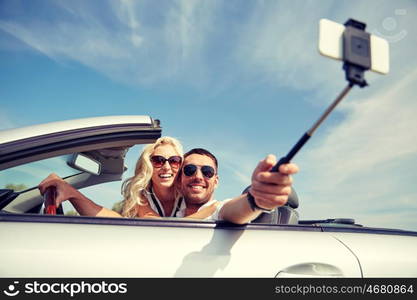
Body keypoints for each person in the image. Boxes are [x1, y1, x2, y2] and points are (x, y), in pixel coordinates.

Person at [38, 136, 185, 218]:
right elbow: (118, 222)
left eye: (174, 161)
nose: (166, 167)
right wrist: (72, 193)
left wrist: (209, 209)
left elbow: (163, 229)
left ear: (181, 165)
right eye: (158, 160)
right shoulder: (141, 196)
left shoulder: (189, 194)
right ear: (147, 166)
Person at [172, 148, 298, 224]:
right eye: (190, 170)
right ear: (179, 180)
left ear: (216, 181)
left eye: (207, 172)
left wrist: (256, 199)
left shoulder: (218, 210)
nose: (198, 177)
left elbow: (235, 210)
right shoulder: (174, 214)